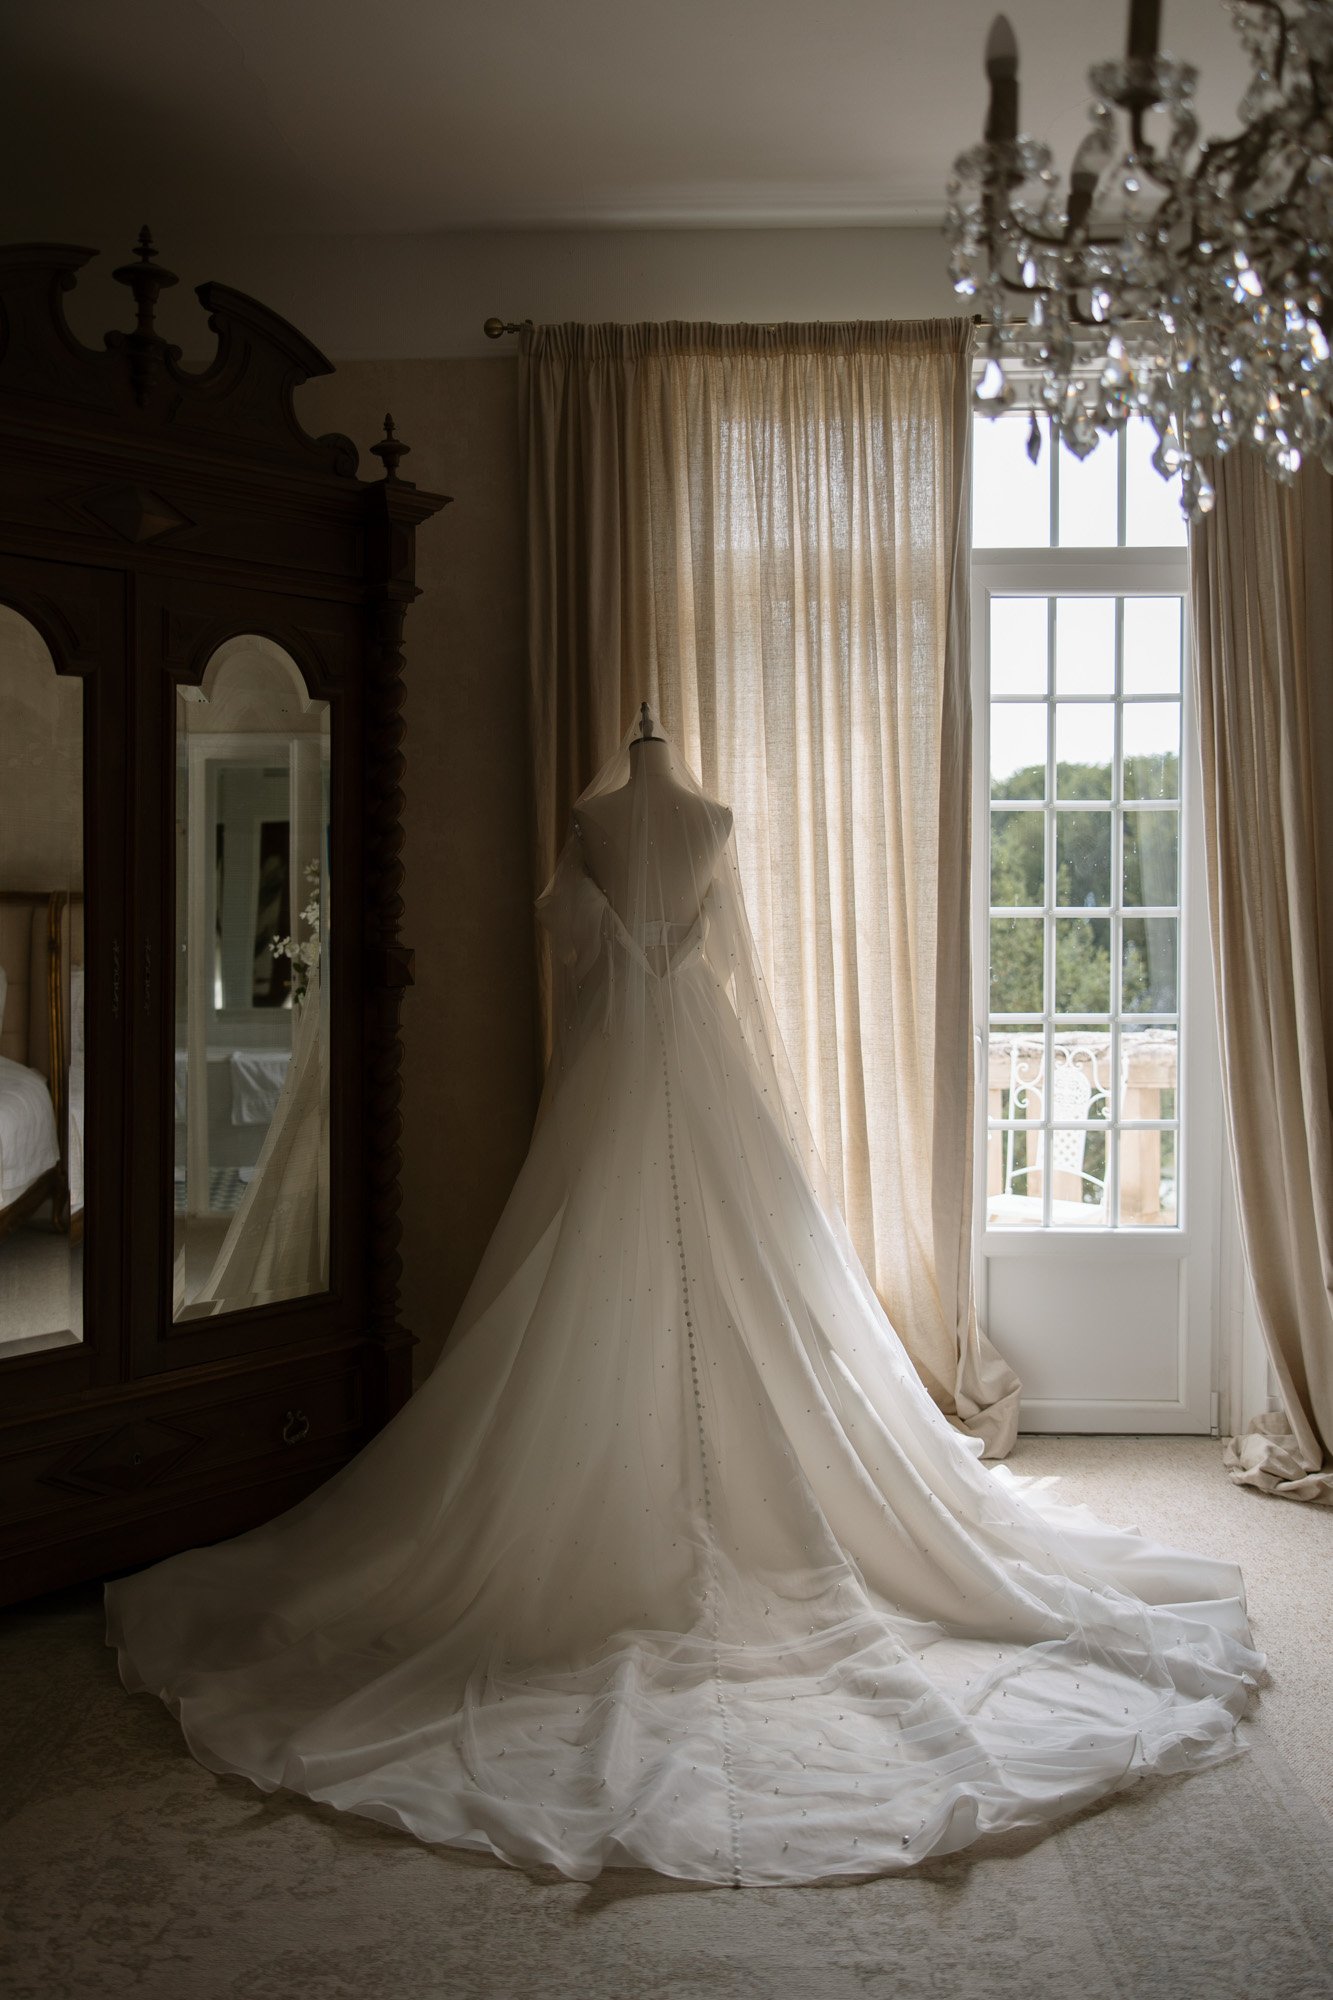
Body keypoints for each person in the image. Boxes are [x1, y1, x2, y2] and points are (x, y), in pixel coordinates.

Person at [106, 707, 1262, 1886]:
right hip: (649, 1077)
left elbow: (572, 937)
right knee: (596, 1297)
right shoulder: (663, 821)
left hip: (629, 1069)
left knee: (706, 1284)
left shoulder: (616, 822)